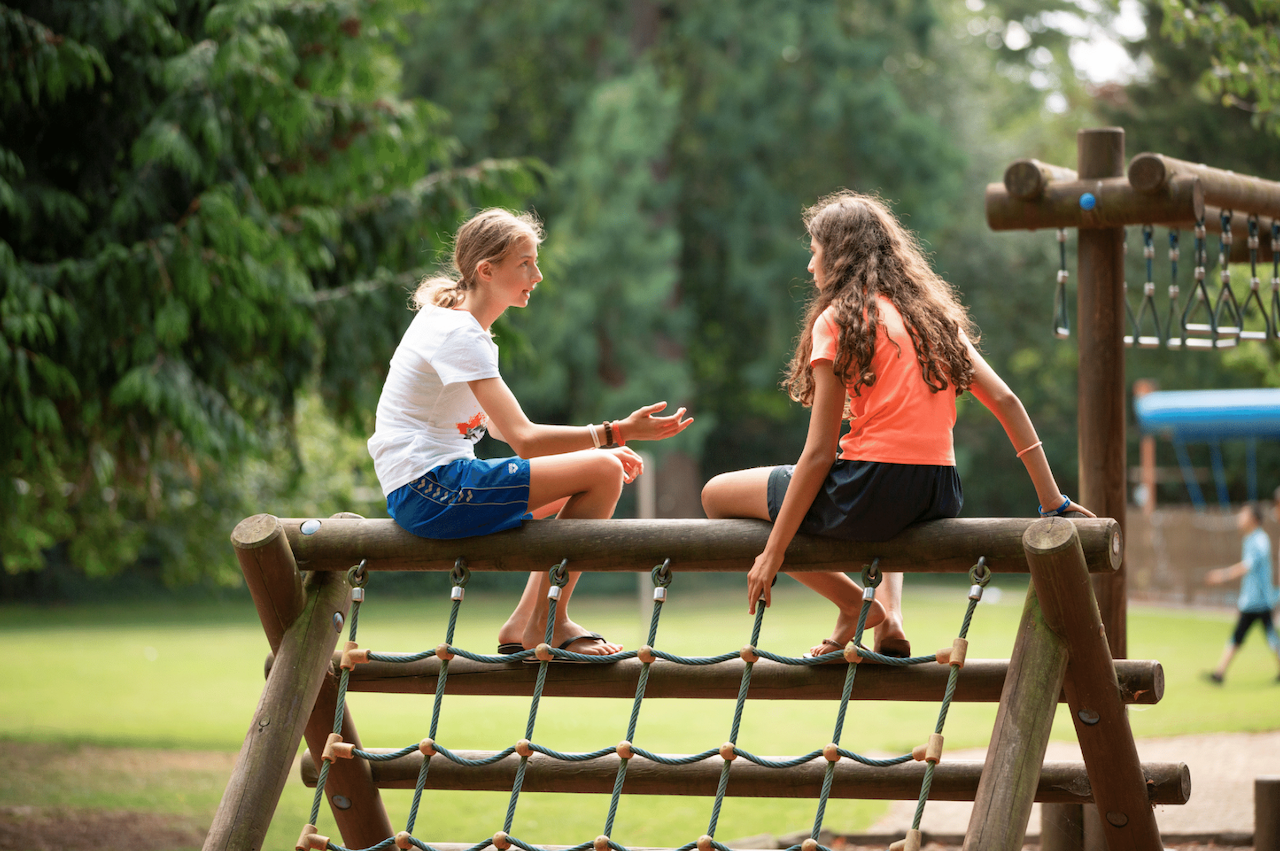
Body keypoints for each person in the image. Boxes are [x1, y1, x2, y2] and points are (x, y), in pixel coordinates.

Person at [700, 190, 1093, 658]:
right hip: (937, 491)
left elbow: (820, 453)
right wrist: (1052, 501)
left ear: (838, 255)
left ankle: (854, 604)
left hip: (869, 489)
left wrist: (773, 554)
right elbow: (1006, 400)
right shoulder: (933, 319)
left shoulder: (838, 320)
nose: (809, 265)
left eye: (814, 250)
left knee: (717, 495)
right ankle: (892, 620)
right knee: (884, 510)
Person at [368, 208, 693, 657]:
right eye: (525, 264)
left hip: (425, 488)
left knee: (593, 474)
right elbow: (524, 439)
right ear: (486, 270)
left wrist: (593, 454)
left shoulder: (455, 324)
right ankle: (548, 622)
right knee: (603, 472)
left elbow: (500, 430)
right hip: (431, 490)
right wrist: (616, 433)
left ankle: (525, 621)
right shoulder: (459, 334)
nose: (537, 276)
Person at [1202, 502, 1280, 684]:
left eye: (1243, 514)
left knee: (1266, 636)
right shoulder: (1250, 539)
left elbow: (1247, 566)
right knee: (1247, 636)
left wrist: (1222, 575)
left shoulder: (1260, 540)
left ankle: (1219, 673)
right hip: (1252, 600)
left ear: (1253, 519)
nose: (1239, 517)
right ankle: (1219, 673)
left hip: (1261, 600)